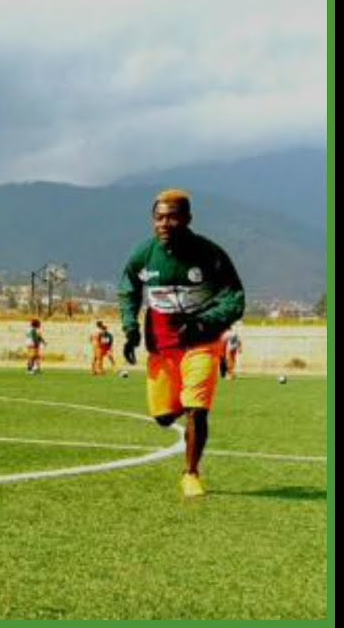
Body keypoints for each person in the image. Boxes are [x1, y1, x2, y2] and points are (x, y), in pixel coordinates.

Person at [118, 189, 244, 498]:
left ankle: (191, 473)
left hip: (202, 342)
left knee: (197, 409)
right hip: (162, 347)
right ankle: (179, 409)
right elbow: (128, 290)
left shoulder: (210, 254)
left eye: (172, 217)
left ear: (188, 218)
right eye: (159, 217)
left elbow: (235, 298)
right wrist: (130, 327)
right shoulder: (143, 255)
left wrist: (205, 322)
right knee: (163, 417)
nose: (164, 223)